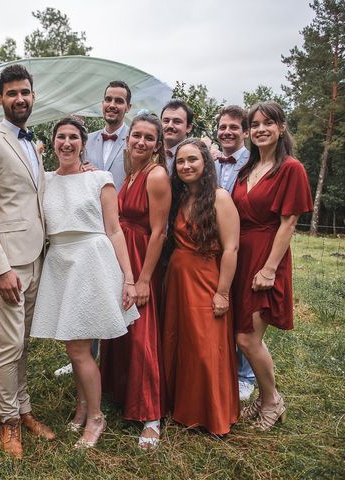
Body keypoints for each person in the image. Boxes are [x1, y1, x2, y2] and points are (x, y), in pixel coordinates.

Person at [30, 117, 139, 448]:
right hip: (60, 260)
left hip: (91, 260)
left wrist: (129, 279)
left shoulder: (100, 179)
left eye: (73, 137)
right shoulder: (44, 181)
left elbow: (115, 230)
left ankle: (96, 418)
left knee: (78, 347)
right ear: (51, 144)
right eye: (60, 137)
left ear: (82, 143)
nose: (66, 142)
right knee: (75, 345)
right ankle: (82, 406)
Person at [0, 64, 55, 459]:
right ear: (0, 99)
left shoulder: (29, 144)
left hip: (35, 256)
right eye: (12, 93)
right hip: (8, 262)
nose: (20, 99)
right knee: (8, 345)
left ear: (33, 96)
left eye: (26, 92)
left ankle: (24, 408)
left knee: (21, 343)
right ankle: (9, 422)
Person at [232, 101, 313, 431]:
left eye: (269, 123)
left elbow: (289, 222)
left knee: (248, 337)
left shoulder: (291, 168)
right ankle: (266, 398)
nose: (261, 129)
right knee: (242, 334)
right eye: (255, 124)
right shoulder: (246, 170)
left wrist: (269, 269)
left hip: (268, 255)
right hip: (241, 256)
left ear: (281, 128)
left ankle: (271, 401)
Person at [100, 113, 171, 449]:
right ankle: (121, 391)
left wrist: (143, 280)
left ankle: (151, 415)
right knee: (121, 325)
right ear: (128, 139)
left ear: (158, 145)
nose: (140, 142)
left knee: (142, 330)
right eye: (136, 136)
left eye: (148, 138)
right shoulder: (131, 173)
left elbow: (159, 233)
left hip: (143, 257)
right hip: (123, 257)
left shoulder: (155, 175)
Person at [162, 138, 241, 435]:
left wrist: (222, 293)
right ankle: (180, 407)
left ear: (206, 163)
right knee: (179, 342)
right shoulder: (180, 198)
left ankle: (211, 413)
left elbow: (231, 249)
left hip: (206, 280)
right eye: (181, 161)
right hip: (178, 281)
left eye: (192, 159)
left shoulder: (220, 197)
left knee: (206, 346)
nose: (186, 166)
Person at [214, 105, 255, 402]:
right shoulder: (211, 161)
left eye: (233, 128)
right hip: (212, 246)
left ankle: (245, 375)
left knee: (240, 306)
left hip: (242, 242)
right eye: (223, 127)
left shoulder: (253, 163)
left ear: (245, 132)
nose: (227, 132)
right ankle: (222, 364)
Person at [84, 80, 132, 191]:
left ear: (128, 107)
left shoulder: (135, 142)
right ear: (102, 103)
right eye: (108, 99)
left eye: (119, 101)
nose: (112, 105)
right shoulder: (86, 140)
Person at [160, 99, 194, 174]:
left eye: (177, 121)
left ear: (188, 127)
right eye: (166, 121)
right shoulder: (152, 152)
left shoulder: (196, 156)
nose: (170, 125)